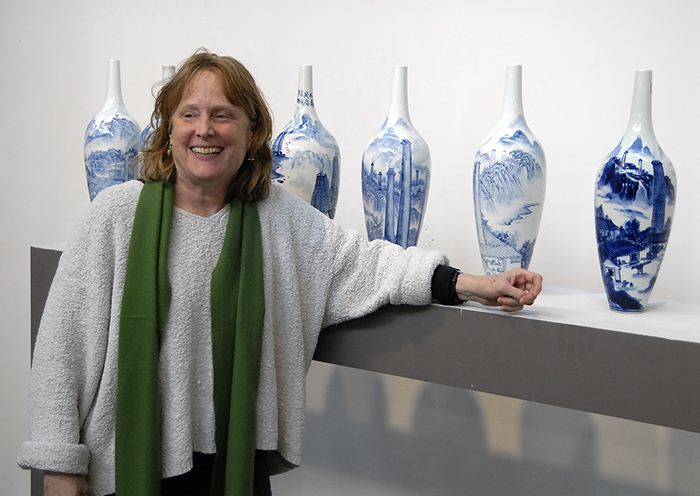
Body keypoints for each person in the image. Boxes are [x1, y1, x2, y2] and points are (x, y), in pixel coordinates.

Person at [18, 49, 543, 496]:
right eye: (189, 114)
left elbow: (369, 264)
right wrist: (60, 463)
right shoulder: (115, 215)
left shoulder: (282, 219)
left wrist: (472, 283)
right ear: (168, 128)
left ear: (251, 132)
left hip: (235, 468)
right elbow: (63, 348)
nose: (205, 129)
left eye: (222, 115)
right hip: (129, 464)